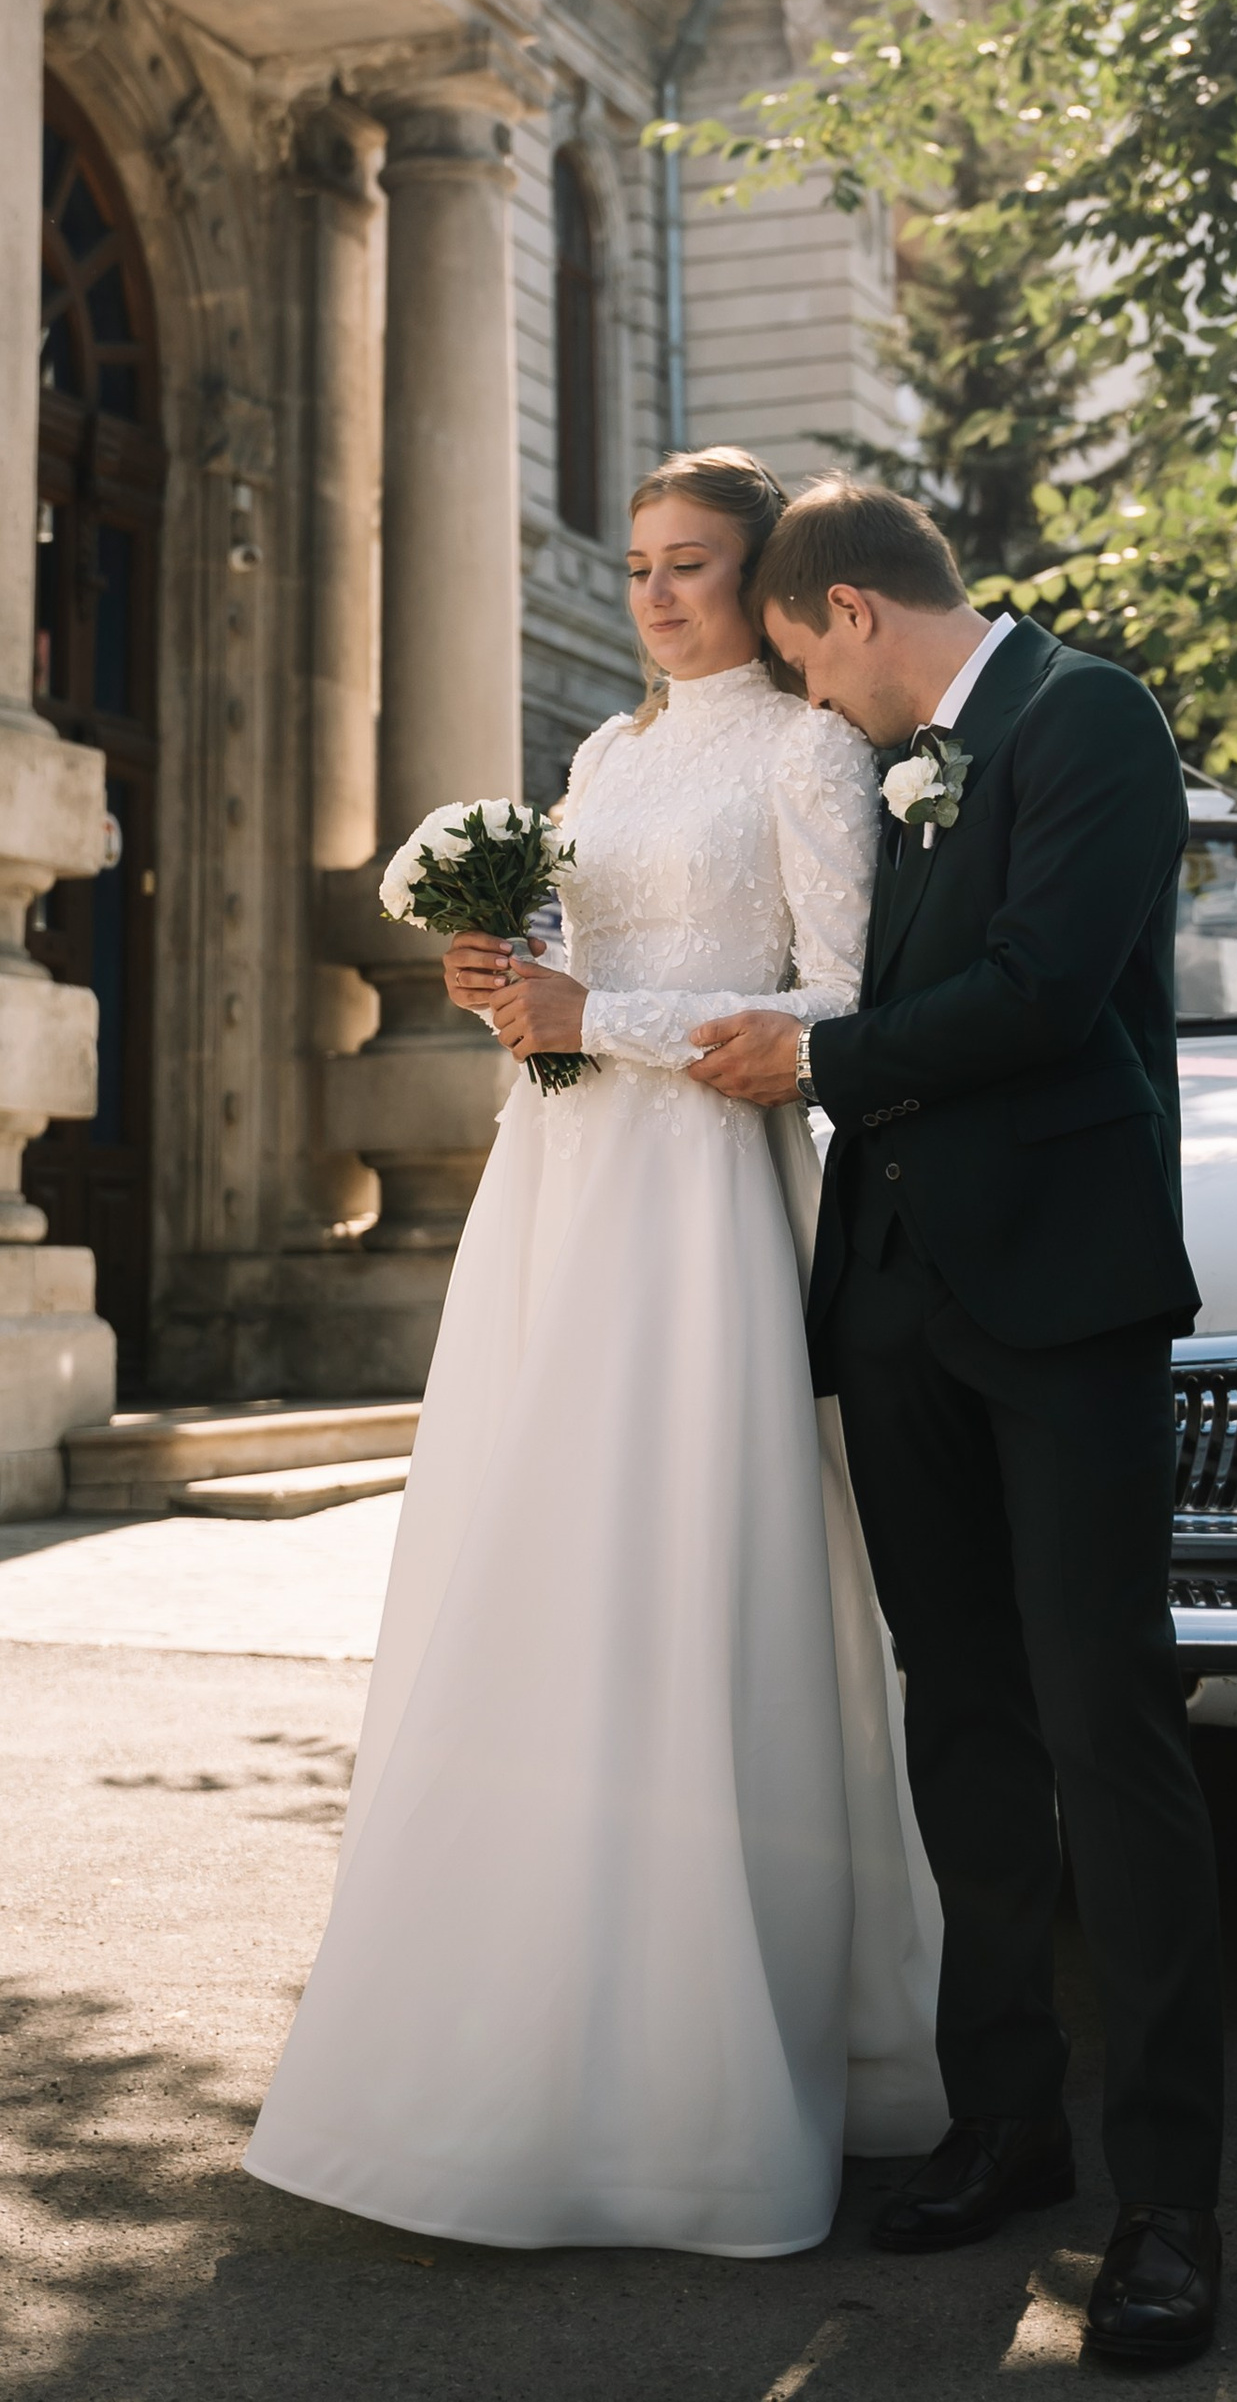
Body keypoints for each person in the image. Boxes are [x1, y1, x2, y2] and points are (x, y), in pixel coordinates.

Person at [244, 447, 944, 2255]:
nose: (654, 595)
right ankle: (506, 2018)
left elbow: (845, 1003)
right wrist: (507, 984)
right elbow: (567, 964)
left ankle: (704, 2074)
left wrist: (604, 1015)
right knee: (534, 1556)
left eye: (689, 563)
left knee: (683, 1564)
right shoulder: (605, 758)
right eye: (637, 564)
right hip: (559, 1181)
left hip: (704, 1197)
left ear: (762, 580)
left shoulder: (808, 752)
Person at [686, 476, 1225, 2370]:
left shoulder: (1091, 716)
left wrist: (820, 1056)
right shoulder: (887, 764)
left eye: (805, 667)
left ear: (850, 610)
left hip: (1065, 1303)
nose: (814, 706)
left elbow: (1045, 994)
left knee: (1109, 1731)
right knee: (966, 1728)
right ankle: (1006, 2121)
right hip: (902, 1303)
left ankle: (1171, 2202)